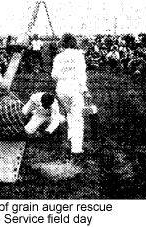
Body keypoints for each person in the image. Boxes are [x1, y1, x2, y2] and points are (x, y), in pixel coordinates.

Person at [51, 33, 89, 162]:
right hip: (75, 88)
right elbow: (81, 75)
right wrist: (84, 90)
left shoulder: (58, 57)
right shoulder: (79, 56)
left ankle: (70, 140)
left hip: (61, 89)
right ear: (74, 43)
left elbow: (54, 76)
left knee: (70, 115)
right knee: (77, 118)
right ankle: (76, 149)